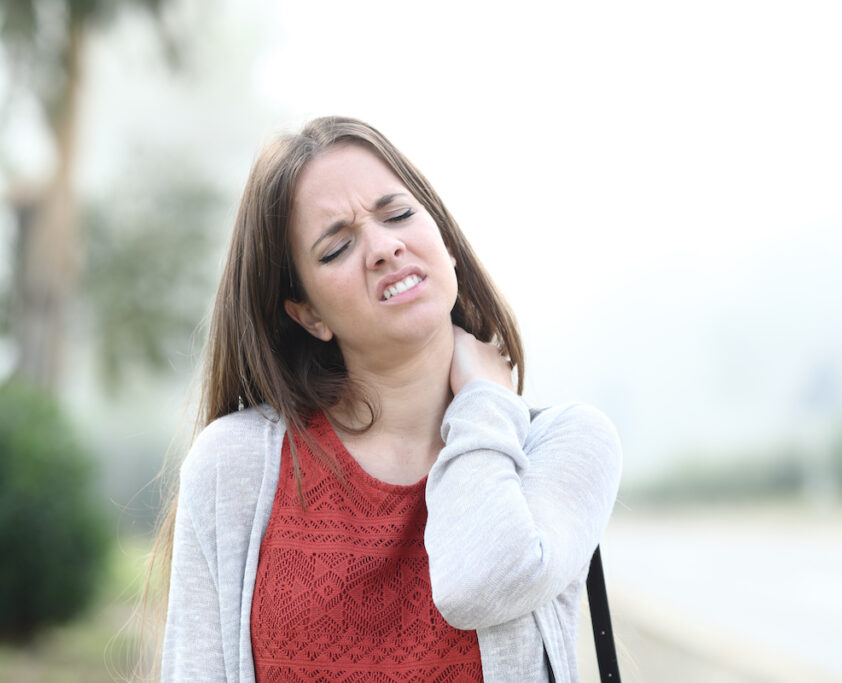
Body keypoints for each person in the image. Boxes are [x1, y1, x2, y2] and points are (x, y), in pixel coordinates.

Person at [159, 116, 622, 682]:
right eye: (337, 248)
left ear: (446, 243)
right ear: (309, 315)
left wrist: (481, 402)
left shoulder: (564, 445)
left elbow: (479, 583)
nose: (383, 247)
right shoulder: (234, 466)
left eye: (398, 214)